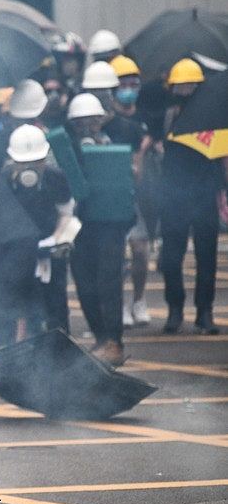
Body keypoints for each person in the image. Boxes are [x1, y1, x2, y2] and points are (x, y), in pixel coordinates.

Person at [65, 93, 136, 365]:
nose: (87, 127)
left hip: (110, 225)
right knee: (84, 282)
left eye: (92, 121)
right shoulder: (69, 151)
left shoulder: (113, 149)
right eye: (80, 122)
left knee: (109, 282)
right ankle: (100, 337)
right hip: (81, 224)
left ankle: (114, 341)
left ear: (99, 121)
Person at [159, 59, 226, 335]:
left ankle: (204, 311)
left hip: (204, 192)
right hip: (174, 194)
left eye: (190, 86)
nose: (185, 91)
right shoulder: (168, 117)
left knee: (206, 254)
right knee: (172, 256)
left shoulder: (214, 118)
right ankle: (175, 309)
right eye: (180, 86)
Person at [3, 125, 76, 337]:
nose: (30, 167)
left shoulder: (56, 177)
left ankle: (61, 349)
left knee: (55, 301)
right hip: (15, 249)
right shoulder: (3, 179)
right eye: (23, 162)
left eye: (35, 162)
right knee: (13, 302)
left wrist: (55, 240)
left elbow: (66, 213)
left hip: (49, 247)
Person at [109, 55, 156, 327]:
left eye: (133, 83)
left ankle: (138, 300)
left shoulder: (145, 118)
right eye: (123, 83)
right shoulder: (109, 121)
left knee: (140, 251)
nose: (129, 88)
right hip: (116, 194)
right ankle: (120, 304)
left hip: (141, 195)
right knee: (116, 255)